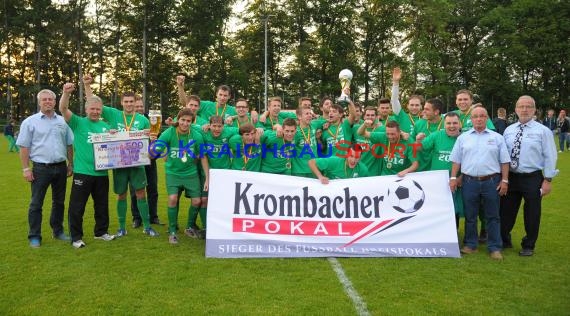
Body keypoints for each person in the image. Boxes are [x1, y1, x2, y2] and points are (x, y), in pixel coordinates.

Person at [84, 74, 159, 237]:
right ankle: (121, 228)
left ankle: (147, 226)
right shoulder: (114, 114)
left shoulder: (143, 119)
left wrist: (152, 142)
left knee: (141, 193)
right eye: (126, 102)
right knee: (121, 194)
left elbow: (150, 141)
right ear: (122, 103)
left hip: (137, 163)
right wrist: (87, 85)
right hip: (118, 163)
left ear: (135, 102)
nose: (129, 104)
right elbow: (93, 103)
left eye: (131, 102)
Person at [59, 83, 116, 248]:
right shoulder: (77, 122)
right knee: (77, 207)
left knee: (102, 205)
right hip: (83, 173)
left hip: (102, 173)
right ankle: (76, 237)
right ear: (86, 109)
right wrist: (66, 93)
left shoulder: (106, 126)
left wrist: (114, 136)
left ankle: (101, 232)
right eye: (93, 109)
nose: (96, 112)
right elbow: (63, 108)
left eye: (98, 109)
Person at [449, 107, 510, 260]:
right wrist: (453, 178)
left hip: (491, 181)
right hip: (469, 182)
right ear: (471, 118)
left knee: (493, 216)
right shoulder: (463, 138)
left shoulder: (497, 138)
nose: (478, 119)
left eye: (482, 116)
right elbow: (456, 160)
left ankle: (494, 247)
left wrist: (505, 180)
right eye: (475, 116)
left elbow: (504, 161)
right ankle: (470, 245)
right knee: (470, 216)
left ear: (487, 118)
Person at [500, 96, 558, 256]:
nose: (524, 109)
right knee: (506, 211)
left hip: (532, 177)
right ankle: (504, 239)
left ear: (534, 110)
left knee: (532, 212)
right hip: (511, 177)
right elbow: (503, 155)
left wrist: (548, 179)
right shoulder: (509, 130)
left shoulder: (543, 131)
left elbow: (551, 156)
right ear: (516, 109)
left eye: (528, 107)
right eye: (521, 106)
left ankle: (528, 245)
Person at [17, 89, 74, 247]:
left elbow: (69, 143)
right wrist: (25, 169)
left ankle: (58, 231)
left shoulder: (63, 121)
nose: (48, 102)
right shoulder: (30, 122)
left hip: (61, 167)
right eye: (44, 99)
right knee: (36, 203)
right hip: (40, 169)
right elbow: (24, 147)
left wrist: (71, 163)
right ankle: (34, 236)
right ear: (39, 102)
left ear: (55, 102)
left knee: (59, 202)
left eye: (51, 99)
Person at [152, 109, 209, 244]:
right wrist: (153, 142)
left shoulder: (196, 136)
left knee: (197, 201)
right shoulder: (169, 133)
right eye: (183, 120)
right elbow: (155, 153)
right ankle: (172, 232)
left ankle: (189, 227)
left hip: (191, 173)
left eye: (188, 121)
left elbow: (203, 157)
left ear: (192, 122)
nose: (185, 123)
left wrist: (207, 177)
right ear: (178, 119)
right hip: (173, 173)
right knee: (172, 198)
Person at [417, 112, 463, 227]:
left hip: (456, 181)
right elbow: (421, 148)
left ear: (460, 124)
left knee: (454, 208)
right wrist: (418, 141)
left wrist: (461, 178)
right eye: (448, 123)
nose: (451, 126)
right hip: (437, 182)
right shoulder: (436, 135)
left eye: (455, 123)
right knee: (437, 209)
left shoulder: (465, 138)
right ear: (444, 124)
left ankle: (454, 235)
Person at [130, 96, 161, 228]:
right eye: (136, 106)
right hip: (134, 162)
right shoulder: (129, 124)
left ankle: (153, 216)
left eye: (141, 106)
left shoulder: (152, 123)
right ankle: (137, 218)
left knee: (152, 189)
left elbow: (157, 143)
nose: (139, 108)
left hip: (149, 161)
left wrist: (154, 141)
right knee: (134, 191)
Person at [410, 98, 445, 171]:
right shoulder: (419, 124)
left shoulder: (447, 124)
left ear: (436, 112)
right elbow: (412, 147)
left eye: (427, 109)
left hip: (439, 169)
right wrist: (417, 141)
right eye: (424, 109)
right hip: (421, 168)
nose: (423, 111)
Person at [391, 67, 423, 133]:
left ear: (421, 106)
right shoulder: (401, 116)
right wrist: (395, 82)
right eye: (412, 105)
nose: (414, 107)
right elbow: (394, 100)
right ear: (407, 106)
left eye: (417, 105)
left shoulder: (425, 120)